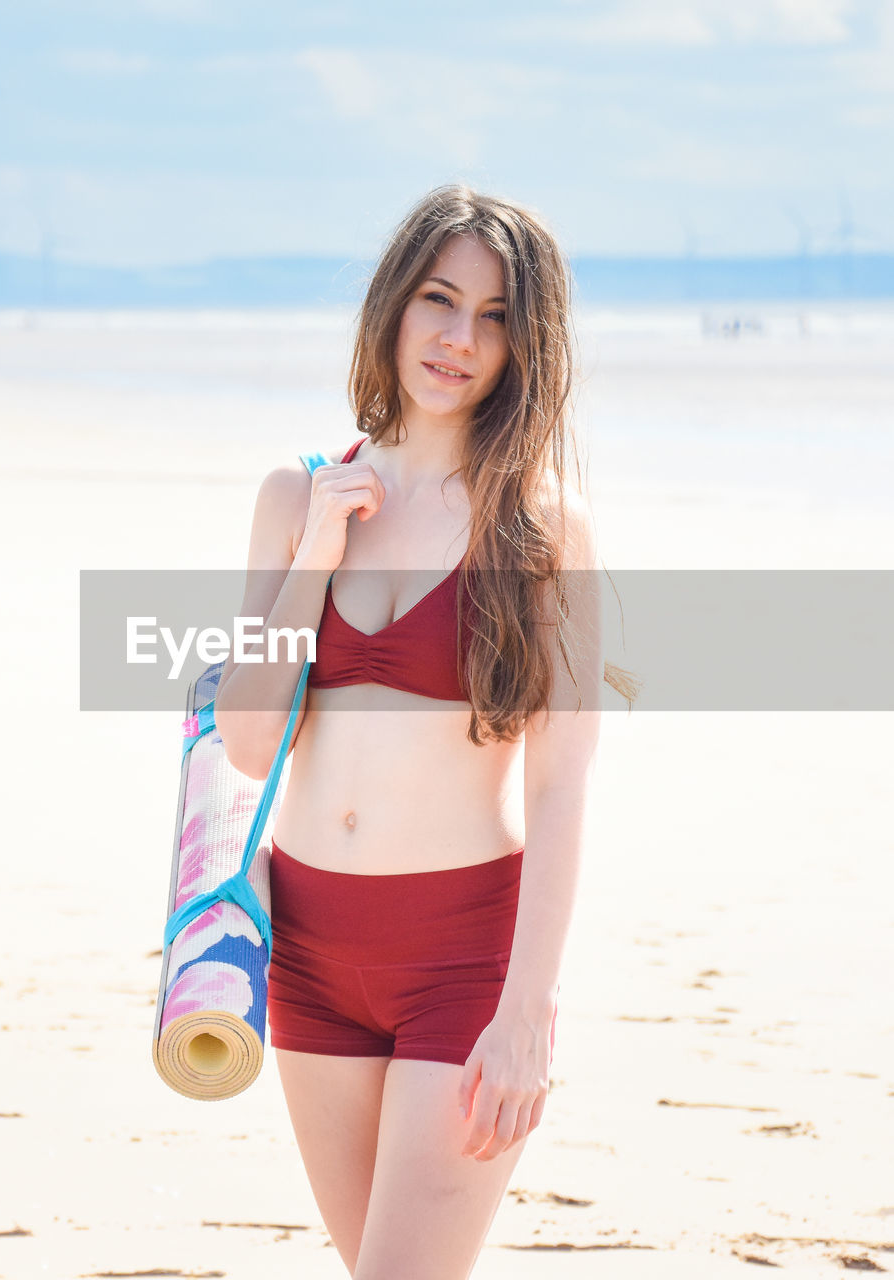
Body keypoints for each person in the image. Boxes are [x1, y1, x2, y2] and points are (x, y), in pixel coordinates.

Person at [214, 183, 621, 1279]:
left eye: (493, 317)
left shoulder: (540, 530)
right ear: (393, 306)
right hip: (305, 949)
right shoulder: (291, 495)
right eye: (438, 300)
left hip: (460, 956)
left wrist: (527, 1005)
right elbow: (249, 744)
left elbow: (559, 783)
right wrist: (315, 554)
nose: (457, 337)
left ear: (521, 345)